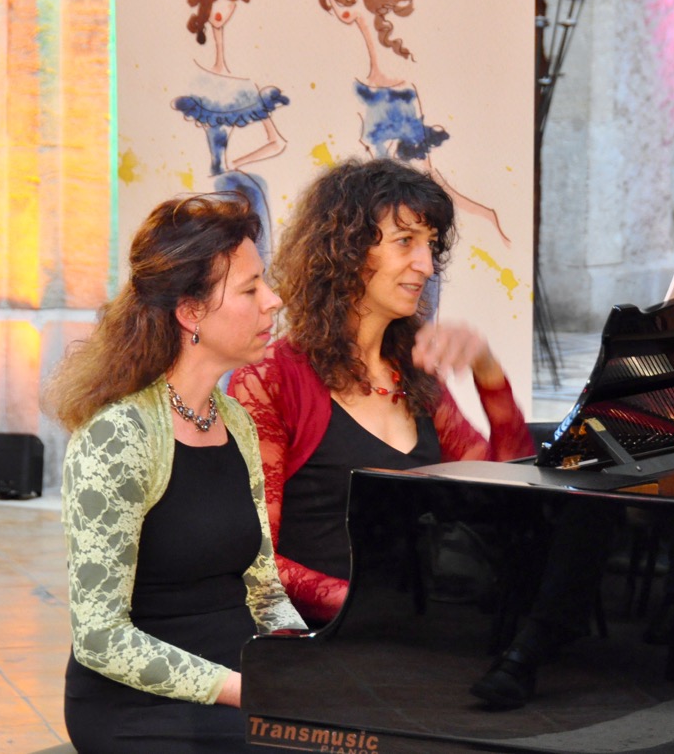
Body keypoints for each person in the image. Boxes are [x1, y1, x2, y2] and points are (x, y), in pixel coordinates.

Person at [46, 193, 305, 753]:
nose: (273, 300)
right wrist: (244, 690)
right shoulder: (119, 436)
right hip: (139, 704)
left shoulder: (235, 420)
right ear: (191, 312)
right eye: (250, 289)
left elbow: (263, 590)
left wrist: (307, 654)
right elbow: (99, 637)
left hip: (238, 679)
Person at [227, 157, 533, 625]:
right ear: (345, 249)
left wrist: (488, 373)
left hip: (418, 631)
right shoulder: (272, 376)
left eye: (430, 244)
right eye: (405, 241)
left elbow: (509, 494)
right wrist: (363, 605)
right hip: (325, 641)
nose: (426, 265)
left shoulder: (414, 371)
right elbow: (255, 556)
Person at [317, 0, 511, 245]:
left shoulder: (398, 89)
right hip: (377, 227)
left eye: (335, 0)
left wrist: (483, 214)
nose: (335, 10)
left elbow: (426, 176)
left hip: (394, 227)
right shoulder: (358, 86)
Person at [173, 0, 288, 262]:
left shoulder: (240, 85)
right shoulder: (197, 78)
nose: (228, 8)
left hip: (235, 192)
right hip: (218, 197)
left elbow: (277, 142)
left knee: (251, 273)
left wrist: (235, 161)